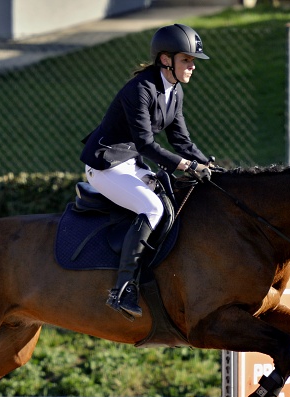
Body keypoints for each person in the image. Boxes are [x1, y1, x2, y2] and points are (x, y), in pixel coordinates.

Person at [80, 23, 214, 320]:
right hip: (105, 165)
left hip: (131, 163)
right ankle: (123, 289)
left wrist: (209, 166)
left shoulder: (174, 90)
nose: (192, 66)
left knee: (173, 201)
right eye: (186, 60)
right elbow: (146, 143)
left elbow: (181, 140)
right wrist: (187, 166)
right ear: (166, 60)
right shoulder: (139, 89)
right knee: (152, 207)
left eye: (192, 61)